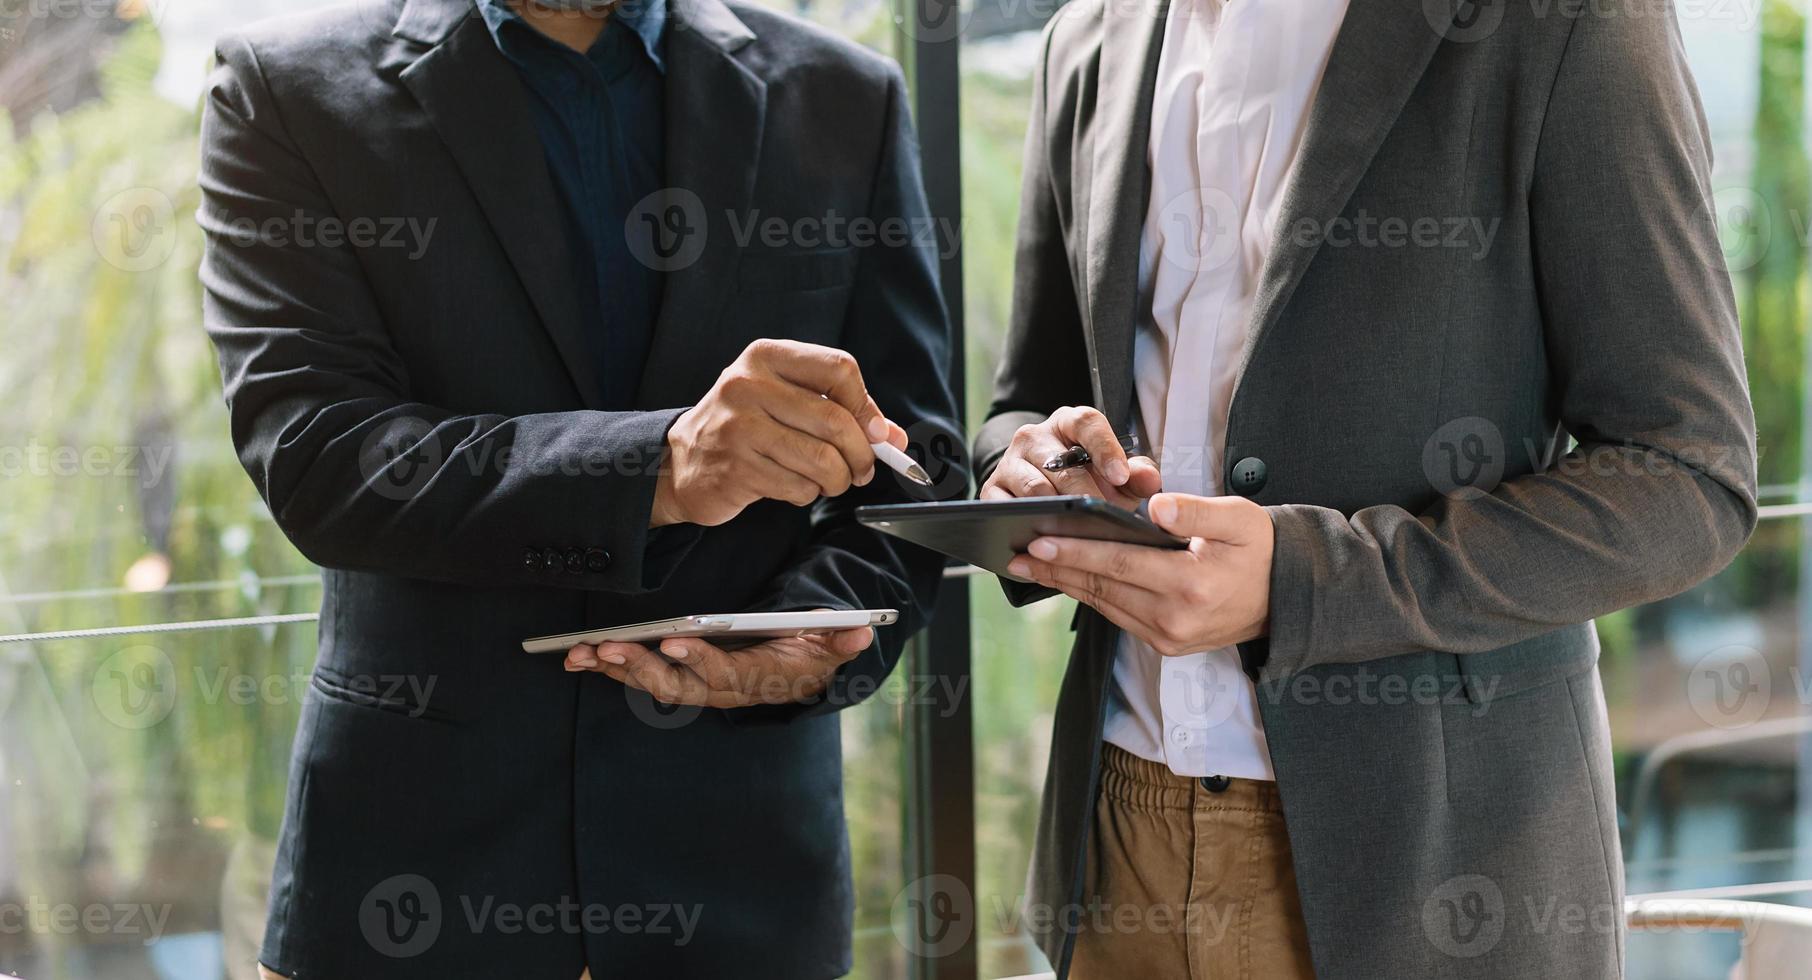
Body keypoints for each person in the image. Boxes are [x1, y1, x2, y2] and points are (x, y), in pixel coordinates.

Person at [974, 0, 1756, 976]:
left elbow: (1688, 475)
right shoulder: (1087, 37)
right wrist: (1033, 462)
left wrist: (1312, 581)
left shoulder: (1569, 21)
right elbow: (1023, 406)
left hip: (1434, 871)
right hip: (1116, 841)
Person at [197, 0, 958, 975]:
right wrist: (663, 468)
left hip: (744, 884)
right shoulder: (284, 91)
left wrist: (807, 637)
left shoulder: (846, 96)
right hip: (412, 887)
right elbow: (319, 453)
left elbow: (918, 476)